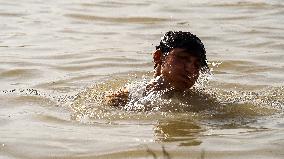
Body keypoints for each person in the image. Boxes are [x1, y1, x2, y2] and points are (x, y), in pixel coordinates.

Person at [105, 31, 209, 108]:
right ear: (158, 57)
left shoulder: (204, 101)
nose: (190, 69)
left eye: (197, 64)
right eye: (183, 58)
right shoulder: (126, 96)